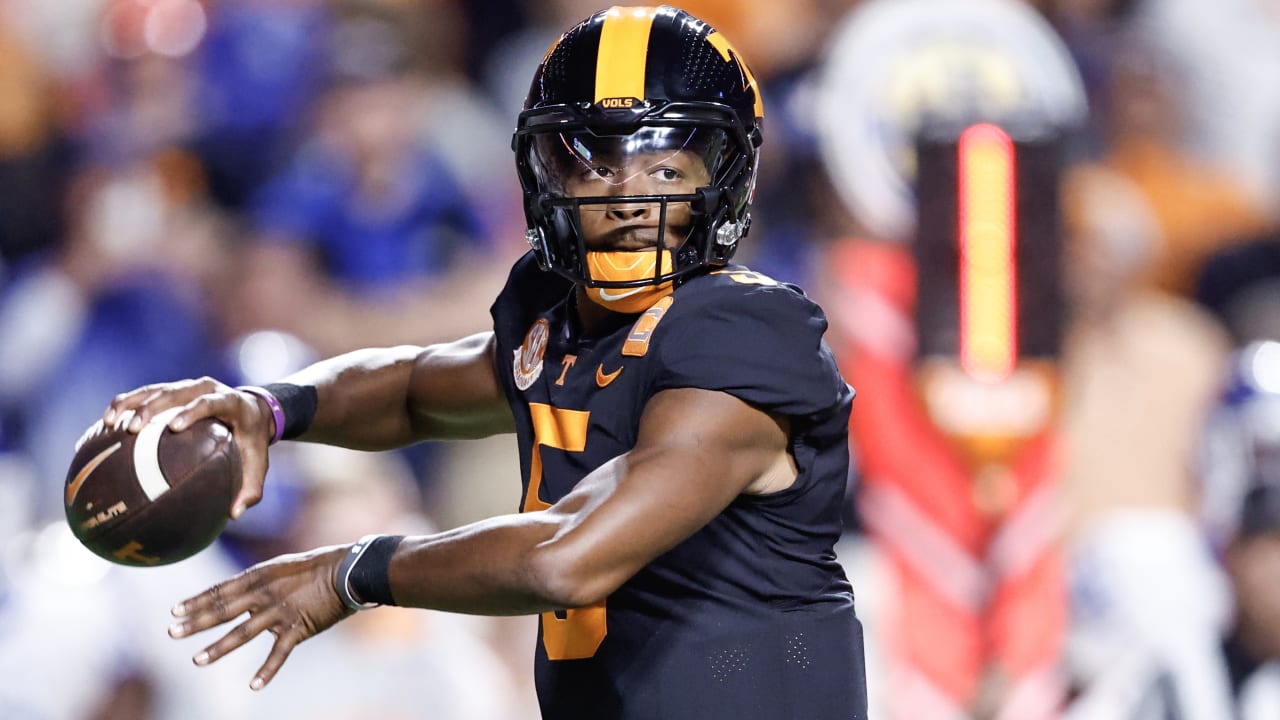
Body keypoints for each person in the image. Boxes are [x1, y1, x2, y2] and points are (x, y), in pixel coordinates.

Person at [101, 6, 866, 719]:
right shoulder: (557, 312)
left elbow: (567, 558)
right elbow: (413, 390)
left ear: (723, 178)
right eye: (600, 166)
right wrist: (270, 408)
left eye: (666, 170)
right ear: (549, 174)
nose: (631, 198)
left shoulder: (745, 333)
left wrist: (352, 574)